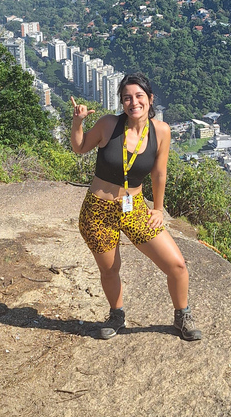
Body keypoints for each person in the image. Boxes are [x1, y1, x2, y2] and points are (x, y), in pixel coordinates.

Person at [70, 72, 201, 341]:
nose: (134, 102)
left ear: (150, 99)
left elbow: (159, 174)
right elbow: (80, 147)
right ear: (122, 102)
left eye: (139, 96)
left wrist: (158, 208)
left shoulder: (161, 131)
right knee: (110, 269)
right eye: (127, 97)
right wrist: (78, 122)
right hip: (98, 211)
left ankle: (182, 316)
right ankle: (116, 315)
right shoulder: (108, 125)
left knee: (176, 265)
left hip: (135, 207)